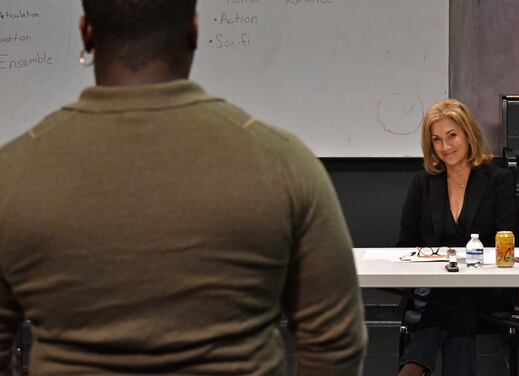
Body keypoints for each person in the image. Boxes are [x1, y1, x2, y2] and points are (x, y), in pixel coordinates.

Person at [0, 1, 367, 374]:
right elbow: (335, 343)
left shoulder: (12, 173)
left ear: (86, 33)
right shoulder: (283, 163)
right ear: (193, 30)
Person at [396, 99, 515, 376]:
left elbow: (508, 241)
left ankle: (413, 367)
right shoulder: (422, 183)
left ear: (468, 135)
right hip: (432, 285)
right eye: (436, 140)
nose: (445, 147)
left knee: (456, 295)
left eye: (452, 136)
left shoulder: (498, 180)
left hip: (484, 287)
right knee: (454, 300)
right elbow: (403, 245)